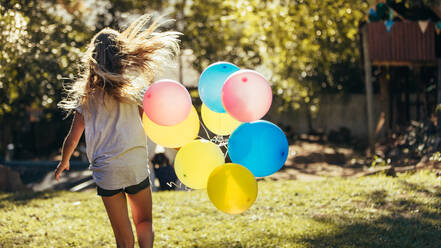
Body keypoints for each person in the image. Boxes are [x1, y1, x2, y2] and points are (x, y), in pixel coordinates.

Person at [54, 14, 180, 248]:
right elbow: (153, 123)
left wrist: (64, 161)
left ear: (92, 58)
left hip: (106, 171)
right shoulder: (134, 92)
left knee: (122, 237)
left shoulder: (86, 97)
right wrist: (176, 143)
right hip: (134, 165)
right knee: (144, 220)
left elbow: (72, 138)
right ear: (122, 55)